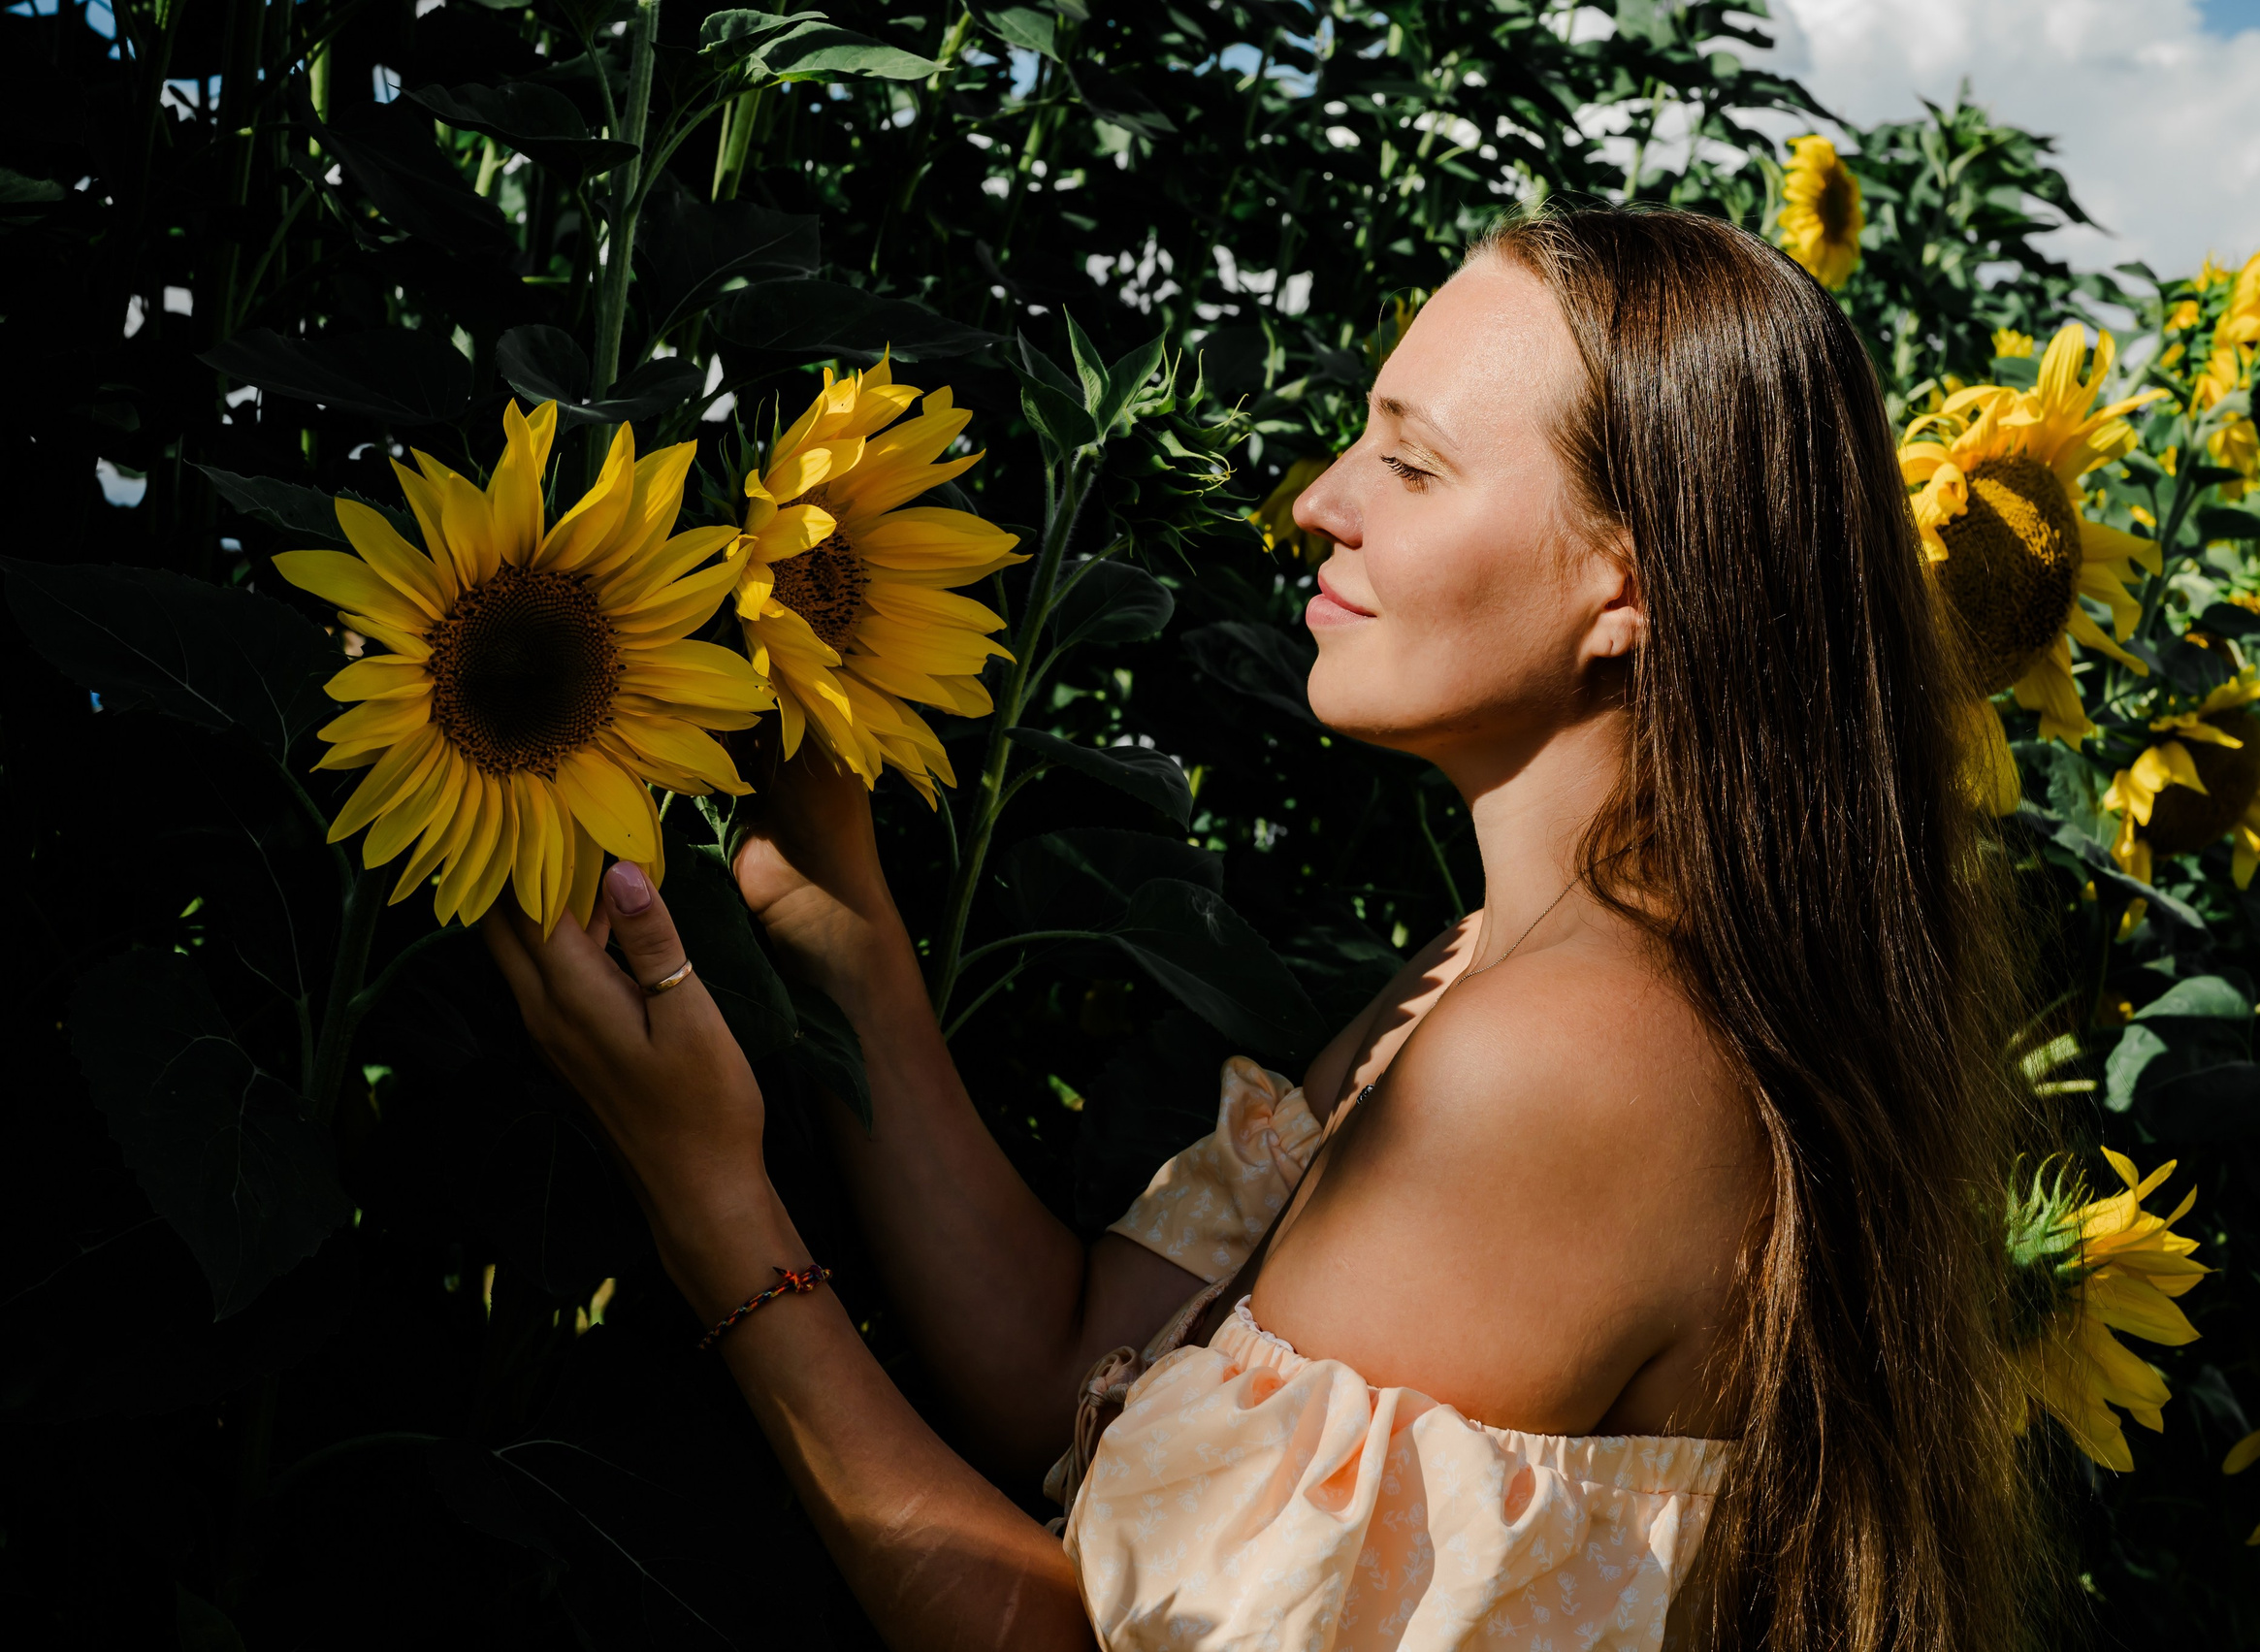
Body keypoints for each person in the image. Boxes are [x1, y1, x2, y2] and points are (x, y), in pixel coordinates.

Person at [483, 206, 2047, 1652]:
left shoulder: (1570, 1059)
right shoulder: (1494, 962)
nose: (1320, 503)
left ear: (1623, 587)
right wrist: (834, 910)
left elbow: (1117, 1637)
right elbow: (1078, 1373)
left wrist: (710, 1204)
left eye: (1413, 467)